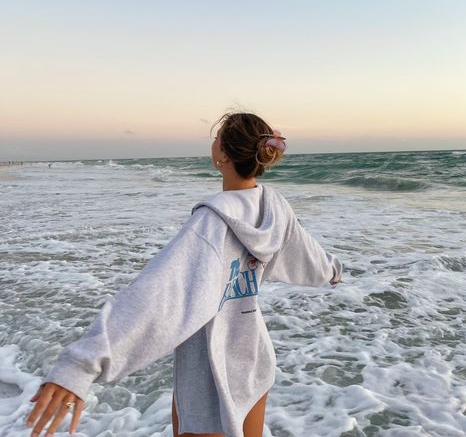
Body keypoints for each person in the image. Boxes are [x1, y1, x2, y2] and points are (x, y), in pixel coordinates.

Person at [26, 112, 342, 437]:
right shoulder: (274, 208)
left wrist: (81, 364)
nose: (213, 144)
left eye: (216, 138)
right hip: (252, 358)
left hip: (210, 370)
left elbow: (158, 293)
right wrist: (333, 271)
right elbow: (311, 258)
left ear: (223, 155)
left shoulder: (211, 222)